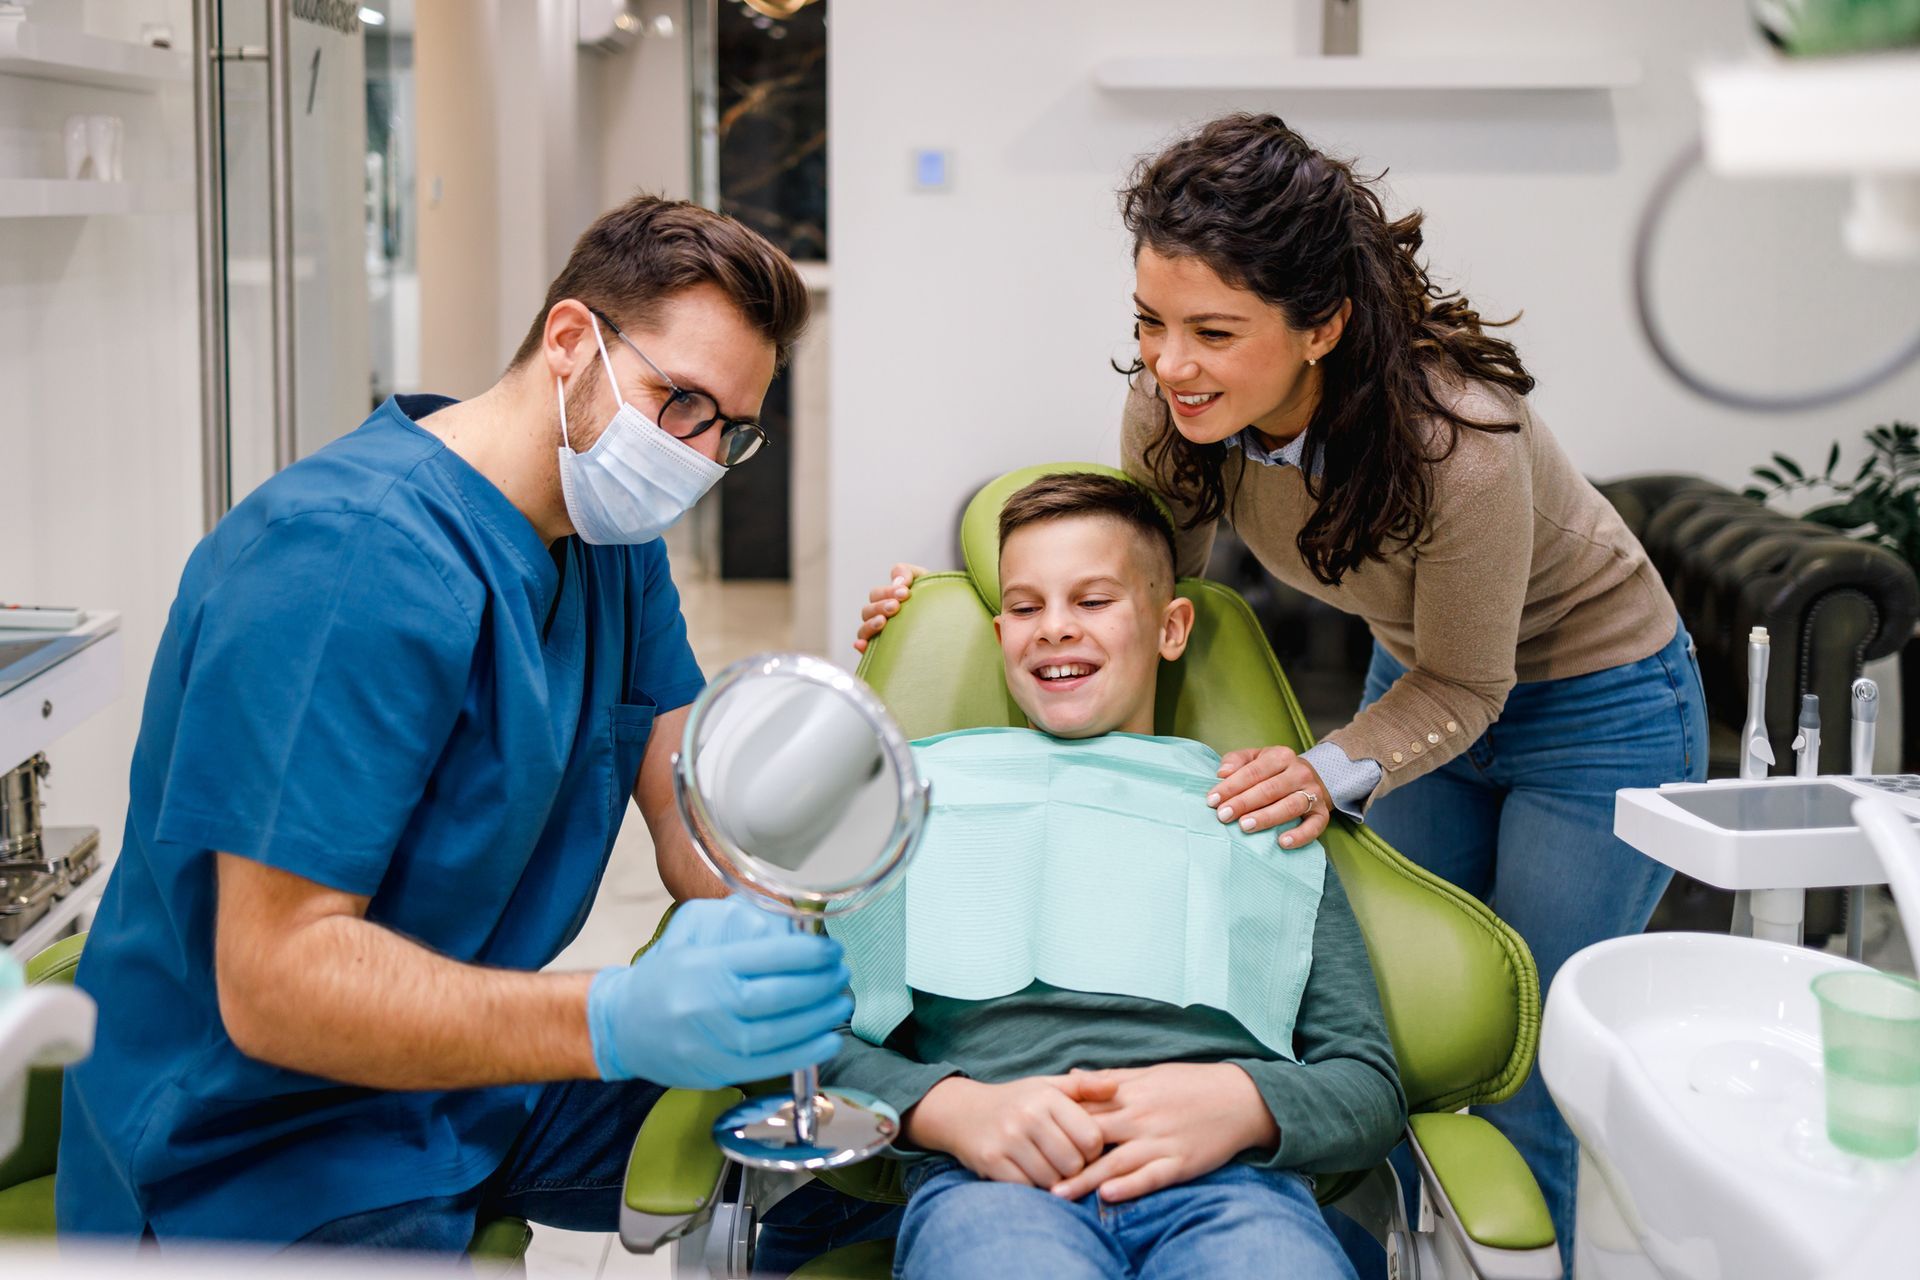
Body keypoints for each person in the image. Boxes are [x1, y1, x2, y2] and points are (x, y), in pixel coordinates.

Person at [853, 114, 1708, 1267]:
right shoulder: (1176, 405)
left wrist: (1325, 766)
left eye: (1213, 330)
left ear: (1323, 326)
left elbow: (1471, 678)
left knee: (1514, 1062)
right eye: (1150, 323)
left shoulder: (1463, 445)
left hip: (1592, 694)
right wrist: (948, 599)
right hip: (1421, 669)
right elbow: (1139, 576)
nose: (1169, 362)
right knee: (1406, 1035)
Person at [58, 196, 855, 1253]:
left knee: (871, 1157)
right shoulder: (347, 560)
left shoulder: (611, 536)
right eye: (680, 403)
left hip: (473, 1076)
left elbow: (692, 809)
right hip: (260, 1143)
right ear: (572, 342)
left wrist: (805, 874)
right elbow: (274, 984)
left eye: (730, 430)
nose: (699, 456)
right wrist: (610, 1016)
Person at [827, 472, 1404, 1280]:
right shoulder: (912, 798)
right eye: (1025, 608)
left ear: (1171, 629)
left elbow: (1367, 1083)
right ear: (1000, 636)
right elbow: (805, 1036)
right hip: (991, 1182)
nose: (1054, 629)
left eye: (1093, 601)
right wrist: (955, 1110)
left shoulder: (1257, 809)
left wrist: (1241, 1102)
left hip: (1231, 1188)